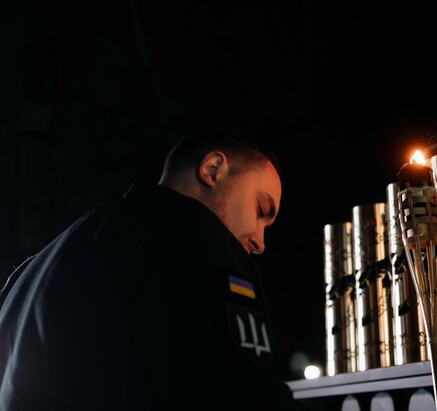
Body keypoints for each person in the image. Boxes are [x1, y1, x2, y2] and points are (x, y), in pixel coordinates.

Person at [0, 129, 301, 410]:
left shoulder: (37, 267)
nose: (260, 242)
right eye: (262, 209)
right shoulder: (199, 239)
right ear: (212, 169)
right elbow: (244, 393)